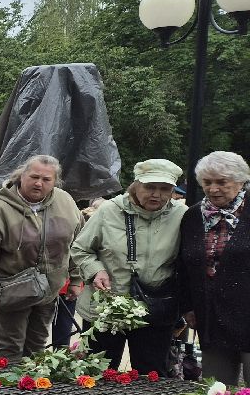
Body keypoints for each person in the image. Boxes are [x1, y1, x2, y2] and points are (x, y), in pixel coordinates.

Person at [71, 159, 185, 374]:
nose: (156, 195)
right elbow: (80, 248)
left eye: (165, 189)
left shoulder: (180, 214)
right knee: (97, 375)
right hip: (106, 308)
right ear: (135, 185)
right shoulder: (109, 211)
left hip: (155, 310)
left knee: (151, 375)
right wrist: (96, 270)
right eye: (150, 187)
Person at [0, 155, 82, 363]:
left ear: (55, 181)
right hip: (12, 292)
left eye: (47, 179)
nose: (39, 183)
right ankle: (7, 393)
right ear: (22, 176)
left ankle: (32, 392)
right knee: (10, 350)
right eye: (34, 176)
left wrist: (76, 278)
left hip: (49, 290)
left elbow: (77, 244)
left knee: (37, 347)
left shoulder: (66, 202)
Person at [178, 151, 250, 386]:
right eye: (207, 182)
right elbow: (184, 266)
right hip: (211, 317)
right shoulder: (192, 216)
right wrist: (188, 306)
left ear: (240, 182)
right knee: (216, 393)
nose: (213, 189)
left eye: (222, 182)